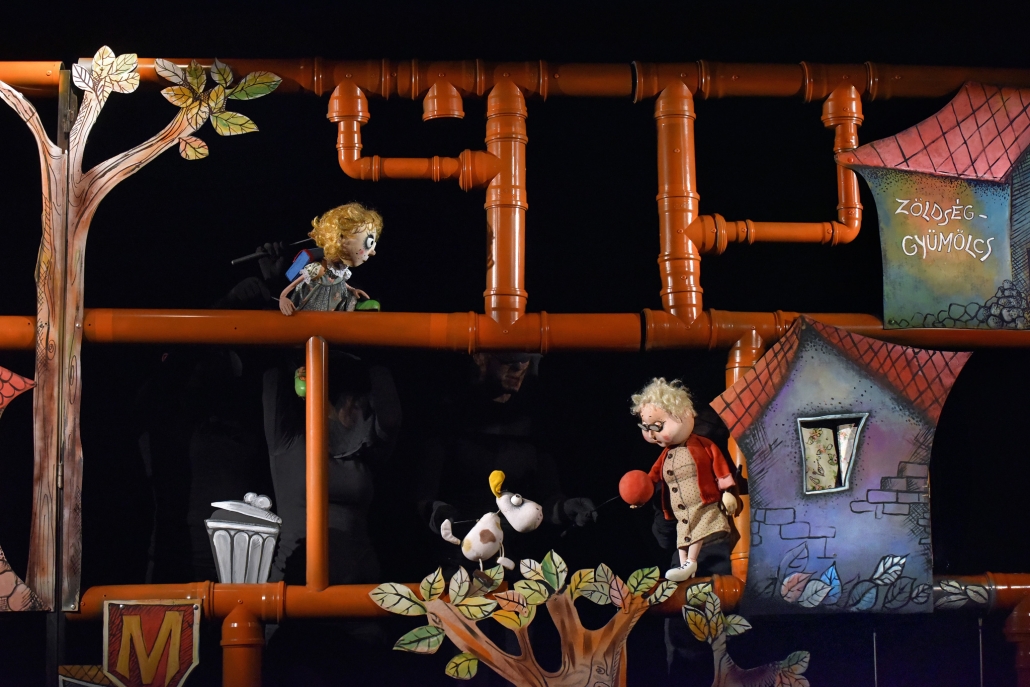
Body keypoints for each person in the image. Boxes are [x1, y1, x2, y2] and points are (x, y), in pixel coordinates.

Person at [630, 377, 738, 583]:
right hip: (690, 552)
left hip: (720, 550)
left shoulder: (707, 448)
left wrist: (727, 490)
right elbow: (663, 536)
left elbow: (721, 468)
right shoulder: (667, 460)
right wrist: (644, 494)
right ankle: (686, 564)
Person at [278, 202, 382, 315]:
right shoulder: (319, 269)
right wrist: (283, 298)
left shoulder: (342, 269)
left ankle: (353, 306)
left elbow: (340, 281)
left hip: (335, 305)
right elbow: (295, 284)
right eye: (369, 243)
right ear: (340, 238)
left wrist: (352, 289)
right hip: (315, 306)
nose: (373, 252)